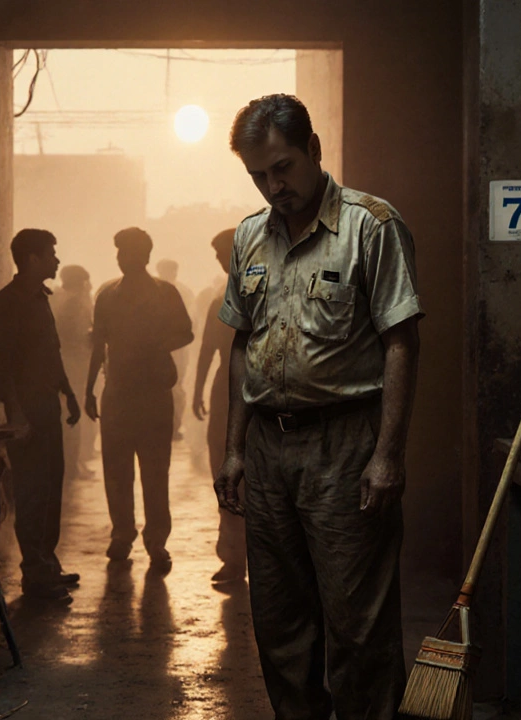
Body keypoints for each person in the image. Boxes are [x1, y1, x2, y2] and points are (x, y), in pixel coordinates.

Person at [214, 94, 423, 719]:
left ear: (314, 150)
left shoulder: (372, 226)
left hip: (345, 447)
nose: (273, 186)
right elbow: (241, 346)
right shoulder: (250, 237)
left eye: (282, 168)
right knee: (280, 627)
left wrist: (387, 456)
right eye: (258, 175)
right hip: (268, 452)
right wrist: (233, 449)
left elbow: (401, 343)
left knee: (357, 628)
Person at [85, 228, 194, 573]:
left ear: (144, 256)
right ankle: (122, 534)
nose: (120, 258)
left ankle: (156, 540)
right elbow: (98, 345)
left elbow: (186, 332)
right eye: (118, 252)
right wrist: (90, 388)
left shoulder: (166, 294)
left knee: (154, 472)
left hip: (153, 395)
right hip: (117, 394)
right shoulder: (107, 296)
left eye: (126, 252)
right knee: (116, 471)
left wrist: (157, 344)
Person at [0, 229, 82, 605]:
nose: (56, 261)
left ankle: (47, 563)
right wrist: (17, 416)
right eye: (51, 254)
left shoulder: (41, 299)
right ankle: (36, 576)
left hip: (47, 405)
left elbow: (53, 352)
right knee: (31, 491)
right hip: (28, 410)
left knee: (50, 487)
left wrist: (69, 393)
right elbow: (5, 365)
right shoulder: (9, 302)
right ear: (31, 259)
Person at [191, 229, 245, 585]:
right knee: (225, 478)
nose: (217, 260)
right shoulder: (217, 302)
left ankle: (246, 558)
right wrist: (197, 390)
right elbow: (208, 350)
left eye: (222, 253)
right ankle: (232, 558)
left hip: (252, 398)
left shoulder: (260, 297)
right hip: (226, 395)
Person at [51, 264, 96, 480]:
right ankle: (73, 465)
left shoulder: (56, 297)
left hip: (63, 362)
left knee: (67, 414)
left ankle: (73, 463)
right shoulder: (74, 302)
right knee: (73, 414)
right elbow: (78, 335)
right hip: (74, 364)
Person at [156, 259, 195, 443]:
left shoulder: (183, 291)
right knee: (169, 387)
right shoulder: (154, 289)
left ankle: (174, 425)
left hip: (176, 348)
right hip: (164, 347)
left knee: (176, 387)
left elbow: (190, 325)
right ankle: (168, 425)